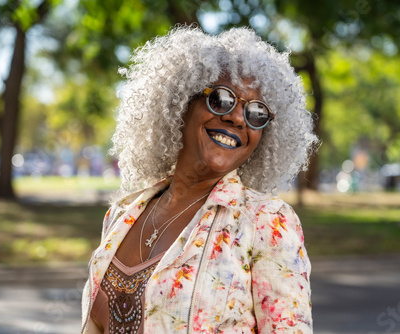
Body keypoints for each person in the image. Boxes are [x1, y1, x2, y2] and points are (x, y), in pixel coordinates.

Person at [81, 26, 318, 334]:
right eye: (221, 99)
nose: (236, 118)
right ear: (180, 103)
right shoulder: (121, 214)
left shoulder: (267, 223)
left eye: (256, 113)